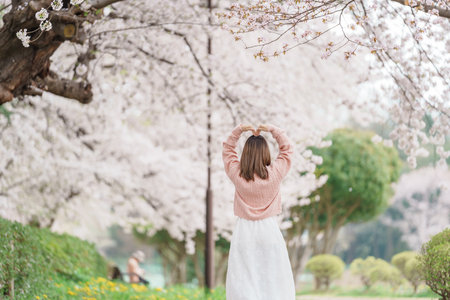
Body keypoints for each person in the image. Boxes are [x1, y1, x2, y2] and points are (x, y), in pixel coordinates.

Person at [223, 124, 296, 300]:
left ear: (245, 154)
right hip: (268, 230)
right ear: (266, 153)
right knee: (271, 278)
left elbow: (227, 149)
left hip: (244, 231)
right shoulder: (275, 173)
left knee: (244, 279)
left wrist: (239, 130)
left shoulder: (237, 174)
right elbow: (288, 150)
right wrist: (272, 130)